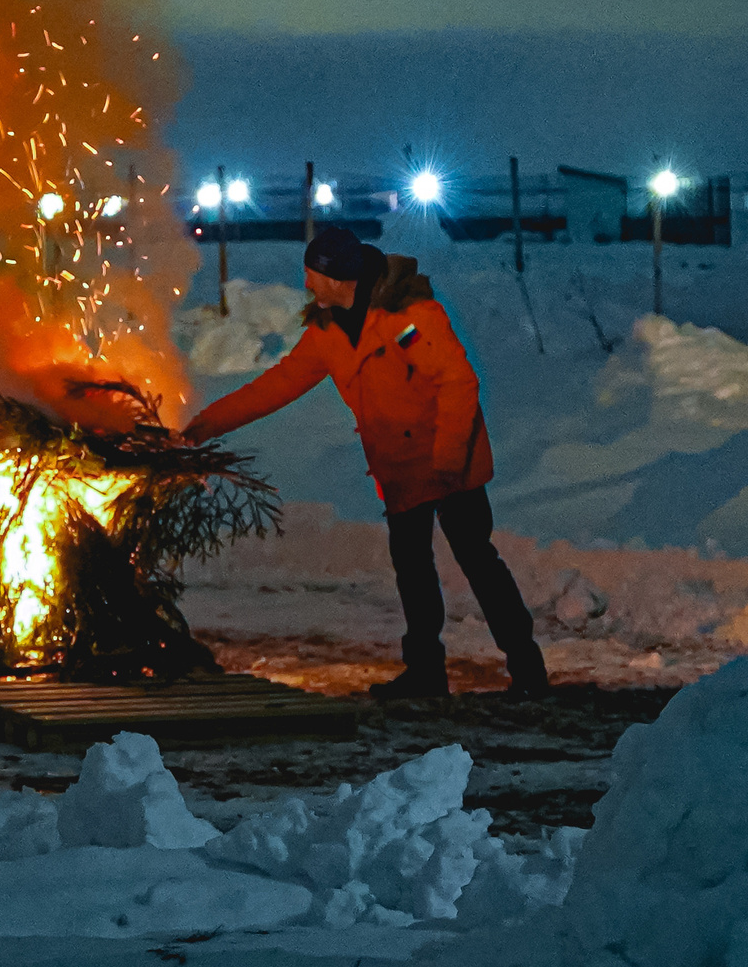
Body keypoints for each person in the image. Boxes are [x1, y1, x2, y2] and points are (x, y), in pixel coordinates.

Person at [182, 225, 548, 699]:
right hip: (399, 467)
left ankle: (527, 667)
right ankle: (425, 674)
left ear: (338, 277)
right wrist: (205, 425)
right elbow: (278, 384)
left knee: (477, 560)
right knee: (413, 569)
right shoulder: (327, 330)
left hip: (447, 458)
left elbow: (458, 382)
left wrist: (448, 458)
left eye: (313, 274)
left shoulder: (409, 318)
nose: (308, 284)